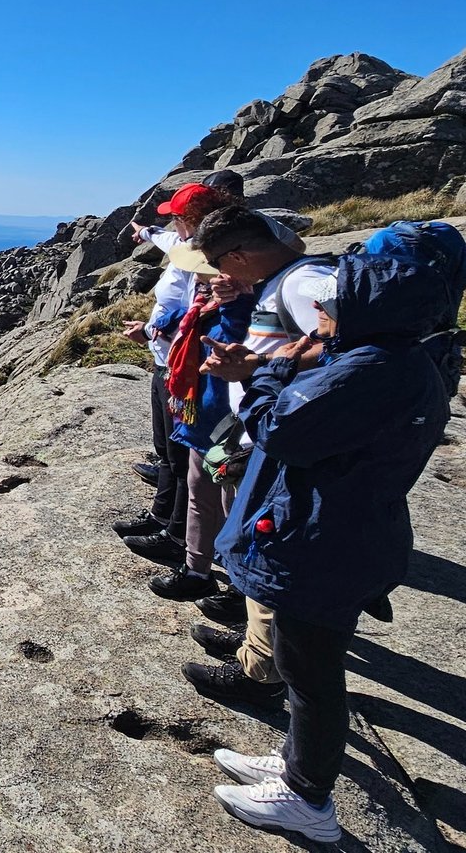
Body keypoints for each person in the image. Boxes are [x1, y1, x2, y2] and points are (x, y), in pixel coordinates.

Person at [205, 257, 451, 842]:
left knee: (310, 673)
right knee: (306, 666)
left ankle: (305, 801)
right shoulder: (392, 360)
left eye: (333, 303)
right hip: (346, 533)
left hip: (322, 543)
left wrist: (264, 377)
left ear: (370, 312)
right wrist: (276, 365)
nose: (319, 309)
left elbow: (282, 430)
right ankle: (297, 762)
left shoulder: (370, 370)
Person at [171, 203, 336, 705]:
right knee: (250, 539)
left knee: (268, 548)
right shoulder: (281, 281)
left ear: (240, 254)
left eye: (222, 263)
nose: (218, 274)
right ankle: (254, 643)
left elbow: (346, 348)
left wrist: (258, 367)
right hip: (264, 431)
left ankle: (260, 675)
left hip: (284, 436)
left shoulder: (304, 283)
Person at [113, 183, 231, 561]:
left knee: (182, 457)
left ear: (190, 220)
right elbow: (168, 242)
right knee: (166, 449)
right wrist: (145, 232)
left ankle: (177, 537)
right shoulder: (188, 247)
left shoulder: (208, 262)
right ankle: (161, 516)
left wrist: (149, 329)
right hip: (166, 361)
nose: (173, 225)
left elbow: (195, 312)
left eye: (176, 218)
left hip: (184, 369)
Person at [147, 269, 251, 602]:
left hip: (232, 428)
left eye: (215, 280)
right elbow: (174, 322)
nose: (206, 286)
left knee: (233, 507)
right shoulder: (202, 308)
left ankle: (238, 588)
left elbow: (237, 339)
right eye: (203, 281)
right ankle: (196, 571)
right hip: (202, 421)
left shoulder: (249, 310)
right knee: (199, 497)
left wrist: (234, 303)